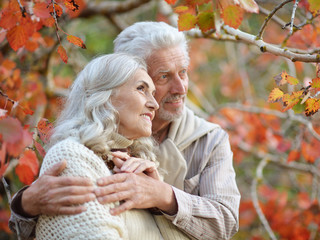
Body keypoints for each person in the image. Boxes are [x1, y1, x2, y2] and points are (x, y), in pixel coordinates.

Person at [9, 21, 240, 240]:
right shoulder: (81, 149)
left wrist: (162, 195)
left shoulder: (210, 139)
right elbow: (56, 226)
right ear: (123, 76)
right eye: (163, 76)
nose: (180, 88)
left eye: (183, 72)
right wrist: (26, 204)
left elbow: (226, 223)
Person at [34, 53, 167, 239]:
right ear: (105, 95)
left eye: (152, 93)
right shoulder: (71, 156)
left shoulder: (141, 168)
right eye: (141, 89)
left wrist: (160, 196)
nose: (155, 104)